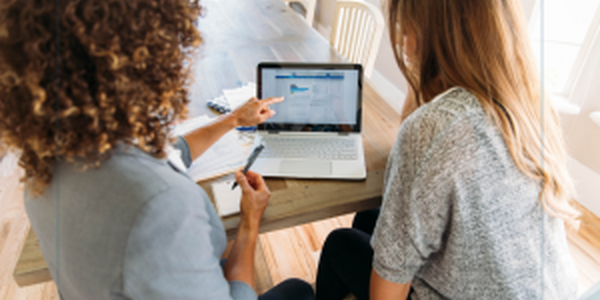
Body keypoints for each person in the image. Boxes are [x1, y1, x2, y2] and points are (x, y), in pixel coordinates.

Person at [0, 1, 314, 300]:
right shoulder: (160, 205)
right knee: (299, 290)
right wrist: (250, 221)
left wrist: (232, 120)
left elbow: (172, 152)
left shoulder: (47, 160)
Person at [315, 0, 580, 299]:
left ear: (435, 33)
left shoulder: (436, 126)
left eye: (408, 27)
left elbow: (386, 295)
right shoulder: (530, 102)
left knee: (340, 244)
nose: (403, 41)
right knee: (369, 218)